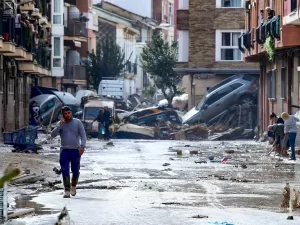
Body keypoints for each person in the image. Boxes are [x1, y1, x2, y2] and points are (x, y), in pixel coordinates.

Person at [51, 106, 87, 198]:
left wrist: (82, 146)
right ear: (62, 115)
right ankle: (67, 190)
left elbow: (83, 135)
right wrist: (60, 126)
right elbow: (52, 135)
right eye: (65, 114)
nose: (67, 115)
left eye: (68, 113)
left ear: (71, 113)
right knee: (65, 171)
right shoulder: (60, 123)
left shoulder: (77, 122)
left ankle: (73, 185)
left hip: (75, 151)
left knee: (75, 170)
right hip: (64, 151)